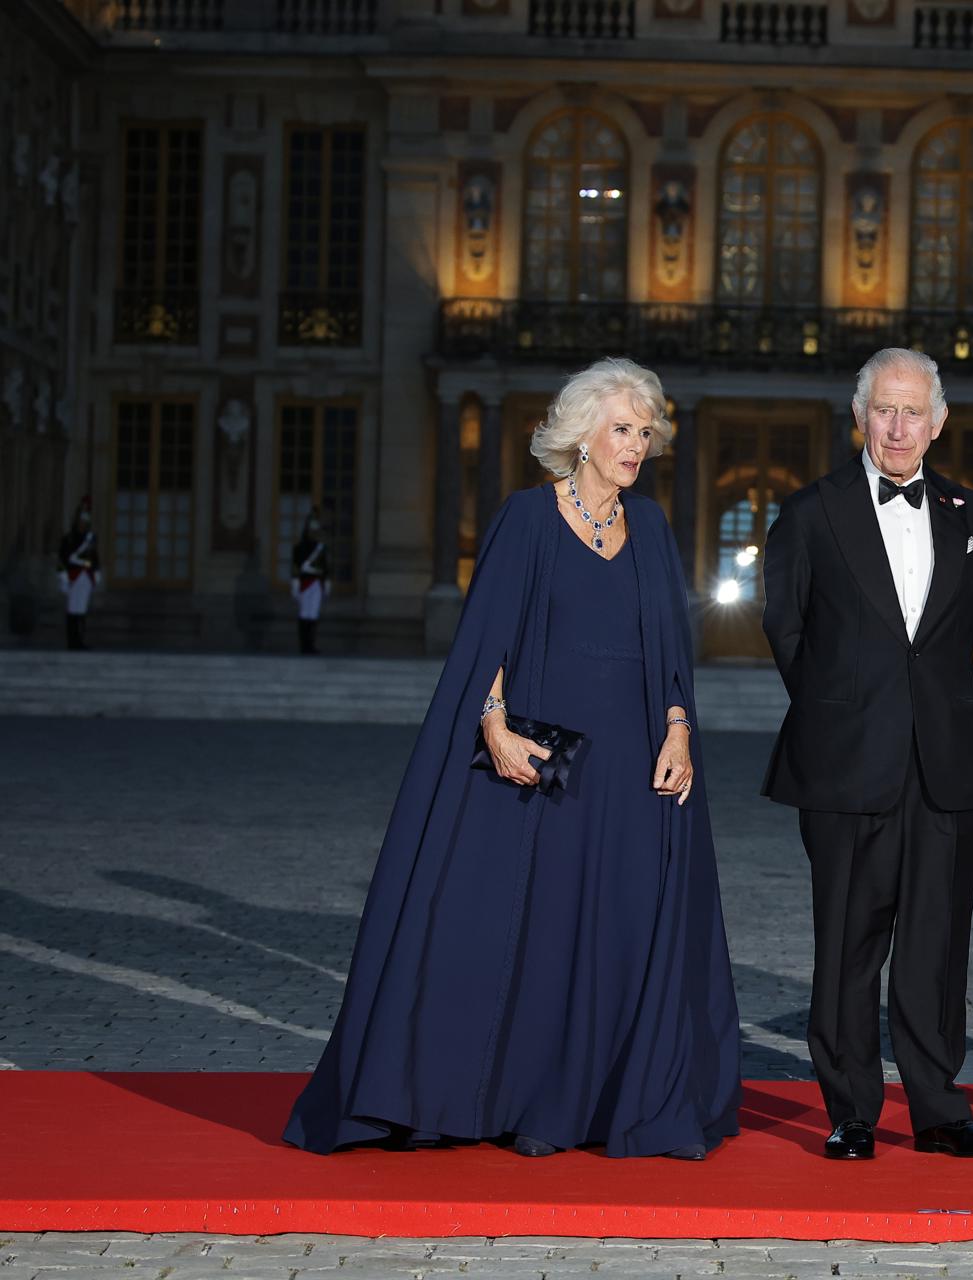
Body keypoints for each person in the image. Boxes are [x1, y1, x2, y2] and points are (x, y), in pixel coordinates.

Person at [285, 357, 740, 1160]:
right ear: (580, 435)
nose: (636, 445)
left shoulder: (655, 528)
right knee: (533, 932)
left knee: (619, 932)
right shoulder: (526, 519)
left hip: (636, 768)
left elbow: (672, 647)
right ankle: (515, 1098)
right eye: (622, 430)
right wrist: (492, 724)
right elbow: (483, 640)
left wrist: (678, 729)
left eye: (644, 432)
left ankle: (602, 1102)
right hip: (545, 763)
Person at [760, 348, 973, 1162]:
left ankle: (938, 1110)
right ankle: (852, 1109)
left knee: (937, 943)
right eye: (884, 410)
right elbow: (786, 630)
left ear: (938, 423)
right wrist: (844, 707)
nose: (899, 427)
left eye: (914, 412)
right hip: (844, 758)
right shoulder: (809, 511)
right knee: (847, 942)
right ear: (859, 416)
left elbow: (952, 636)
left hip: (942, 759)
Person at [56, 497, 99, 651]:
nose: (83, 524)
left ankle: (80, 641)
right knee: (72, 610)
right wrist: (63, 577)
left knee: (81, 611)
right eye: (81, 521)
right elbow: (62, 559)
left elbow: (94, 558)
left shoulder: (90, 539)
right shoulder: (68, 539)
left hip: (85, 577)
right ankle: (72, 642)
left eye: (85, 522)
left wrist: (96, 573)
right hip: (73, 576)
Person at [290, 509, 330, 655]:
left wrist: (326, 583)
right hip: (305, 582)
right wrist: (295, 583)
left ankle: (310, 645)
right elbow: (295, 568)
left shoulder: (321, 548)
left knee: (313, 615)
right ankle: (304, 645)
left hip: (316, 584)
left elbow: (325, 567)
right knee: (304, 614)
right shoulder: (299, 548)